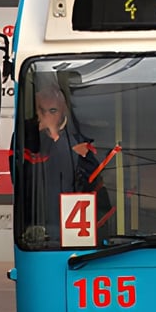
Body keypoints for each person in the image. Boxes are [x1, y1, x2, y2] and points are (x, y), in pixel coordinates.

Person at [20, 84, 107, 246]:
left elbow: (91, 178)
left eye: (52, 111)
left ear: (63, 110)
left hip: (76, 221)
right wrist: (47, 138)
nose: (46, 116)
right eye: (41, 110)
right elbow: (20, 177)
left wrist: (55, 136)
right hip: (37, 220)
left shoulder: (81, 135)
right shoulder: (24, 135)